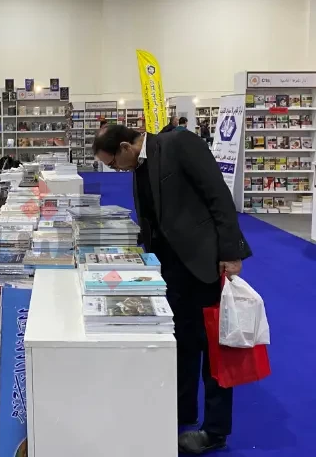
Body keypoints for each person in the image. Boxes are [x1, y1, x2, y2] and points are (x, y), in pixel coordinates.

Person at [92, 125, 252, 455]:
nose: (116, 170)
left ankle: (215, 430)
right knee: (183, 341)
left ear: (126, 147)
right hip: (172, 269)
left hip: (204, 262)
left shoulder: (179, 143)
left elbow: (217, 195)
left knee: (215, 347)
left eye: (114, 163)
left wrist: (230, 252)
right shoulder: (138, 165)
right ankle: (182, 410)